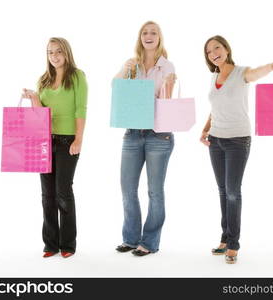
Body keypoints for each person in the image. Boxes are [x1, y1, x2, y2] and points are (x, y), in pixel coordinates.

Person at [201, 35, 273, 264]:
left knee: (233, 191)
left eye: (217, 48)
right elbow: (215, 107)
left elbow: (256, 73)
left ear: (226, 49)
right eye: (209, 51)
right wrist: (205, 129)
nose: (213, 53)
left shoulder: (241, 72)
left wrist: (271, 66)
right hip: (215, 140)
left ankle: (234, 243)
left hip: (238, 140)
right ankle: (225, 238)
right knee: (222, 190)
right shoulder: (214, 76)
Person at [114, 21, 176, 256]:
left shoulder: (167, 66)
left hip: (158, 134)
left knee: (154, 191)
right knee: (127, 189)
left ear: (160, 38)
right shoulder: (133, 65)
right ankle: (130, 238)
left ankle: (149, 242)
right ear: (140, 38)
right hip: (132, 133)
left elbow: (166, 101)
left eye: (153, 33)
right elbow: (116, 87)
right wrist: (124, 69)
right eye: (145, 33)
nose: (149, 36)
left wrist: (168, 86)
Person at [22, 37, 88, 258]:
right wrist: (33, 98)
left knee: (63, 192)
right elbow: (41, 114)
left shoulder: (77, 76)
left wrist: (79, 139)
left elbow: (81, 109)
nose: (54, 56)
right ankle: (50, 244)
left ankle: (68, 244)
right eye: (50, 52)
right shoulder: (44, 79)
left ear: (66, 52)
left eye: (58, 51)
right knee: (47, 195)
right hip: (44, 140)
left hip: (67, 140)